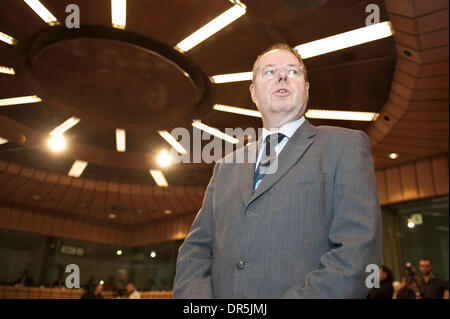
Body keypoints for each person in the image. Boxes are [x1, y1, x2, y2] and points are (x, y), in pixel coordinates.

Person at [173, 43, 382, 298]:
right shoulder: (225, 167)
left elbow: (357, 252)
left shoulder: (345, 146)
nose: (282, 76)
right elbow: (195, 250)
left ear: (306, 90)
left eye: (293, 72)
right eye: (270, 72)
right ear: (253, 92)